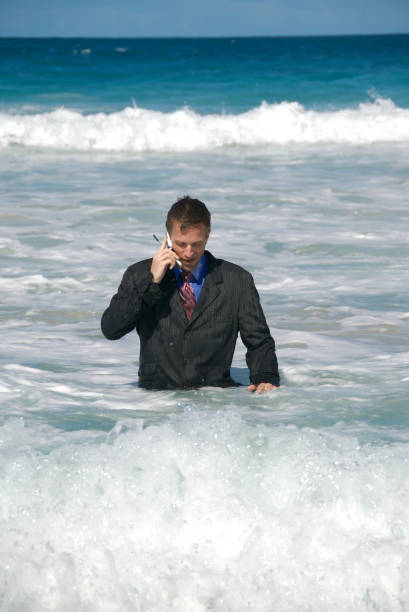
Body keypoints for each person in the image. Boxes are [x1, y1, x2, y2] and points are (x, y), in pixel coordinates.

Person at [101, 196, 279, 393]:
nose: (188, 253)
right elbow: (111, 329)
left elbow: (259, 341)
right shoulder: (138, 275)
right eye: (181, 244)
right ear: (167, 238)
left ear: (208, 236)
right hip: (155, 400)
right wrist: (152, 282)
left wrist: (265, 378)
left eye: (196, 244)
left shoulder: (237, 280)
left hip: (216, 397)